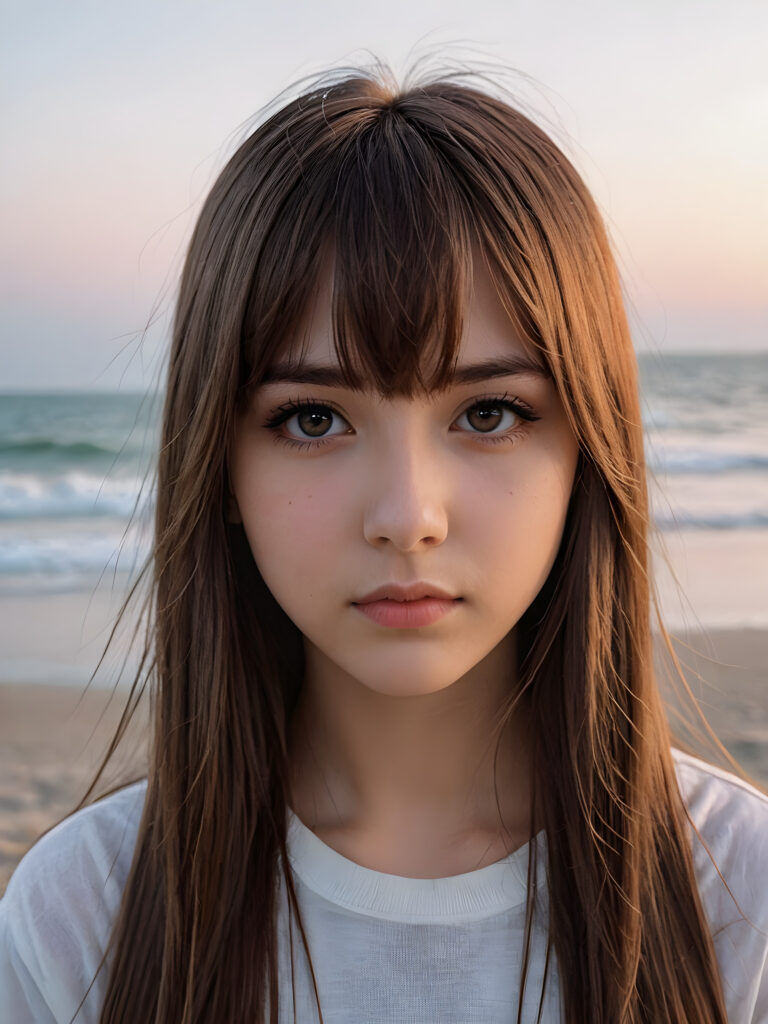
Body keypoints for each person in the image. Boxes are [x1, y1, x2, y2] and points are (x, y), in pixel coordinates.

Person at [1, 61, 767, 1024]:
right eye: (314, 419)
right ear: (220, 466)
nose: (408, 516)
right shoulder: (83, 918)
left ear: (587, 448)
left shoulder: (740, 900)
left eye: (489, 411)